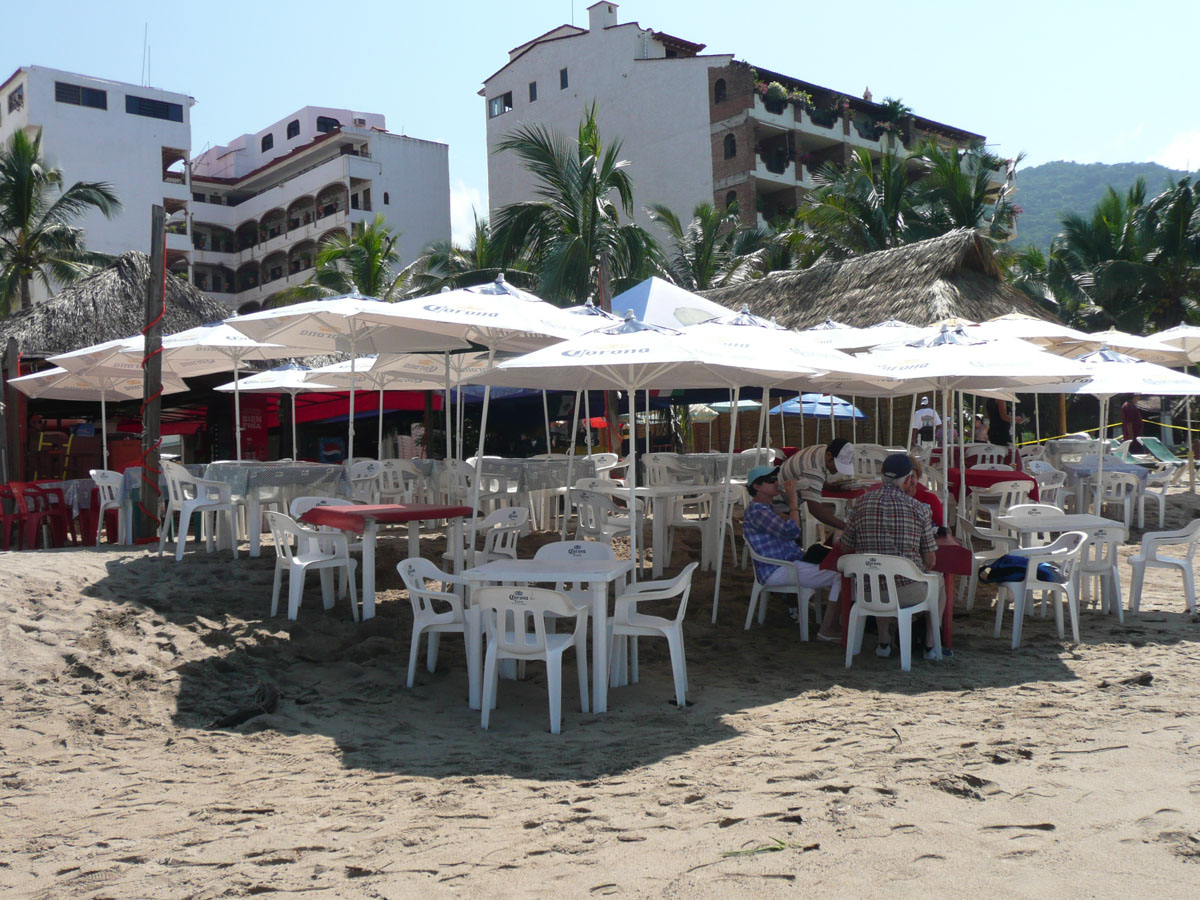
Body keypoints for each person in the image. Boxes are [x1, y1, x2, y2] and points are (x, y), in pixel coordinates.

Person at [840, 453, 943, 661]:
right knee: (939, 582)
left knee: (877, 572)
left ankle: (883, 641)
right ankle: (931, 645)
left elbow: (845, 547)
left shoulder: (860, 503)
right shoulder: (918, 508)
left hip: (867, 592)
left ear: (882, 476)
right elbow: (930, 560)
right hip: (908, 593)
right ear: (908, 479)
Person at [741, 465, 843, 641]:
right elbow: (794, 531)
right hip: (777, 569)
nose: (776, 483)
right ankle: (828, 628)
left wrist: (786, 515)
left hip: (786, 565)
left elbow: (788, 529)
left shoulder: (765, 509)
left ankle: (825, 620)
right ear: (756, 486)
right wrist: (793, 500)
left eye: (775, 479)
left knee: (832, 562)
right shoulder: (758, 511)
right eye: (770, 481)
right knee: (841, 575)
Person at [779, 437, 856, 532]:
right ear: (829, 455)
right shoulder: (813, 470)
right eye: (837, 465)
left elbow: (810, 479)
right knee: (795, 533)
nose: (837, 470)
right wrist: (847, 528)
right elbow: (816, 510)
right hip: (780, 505)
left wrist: (831, 487)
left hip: (784, 496)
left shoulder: (821, 449)